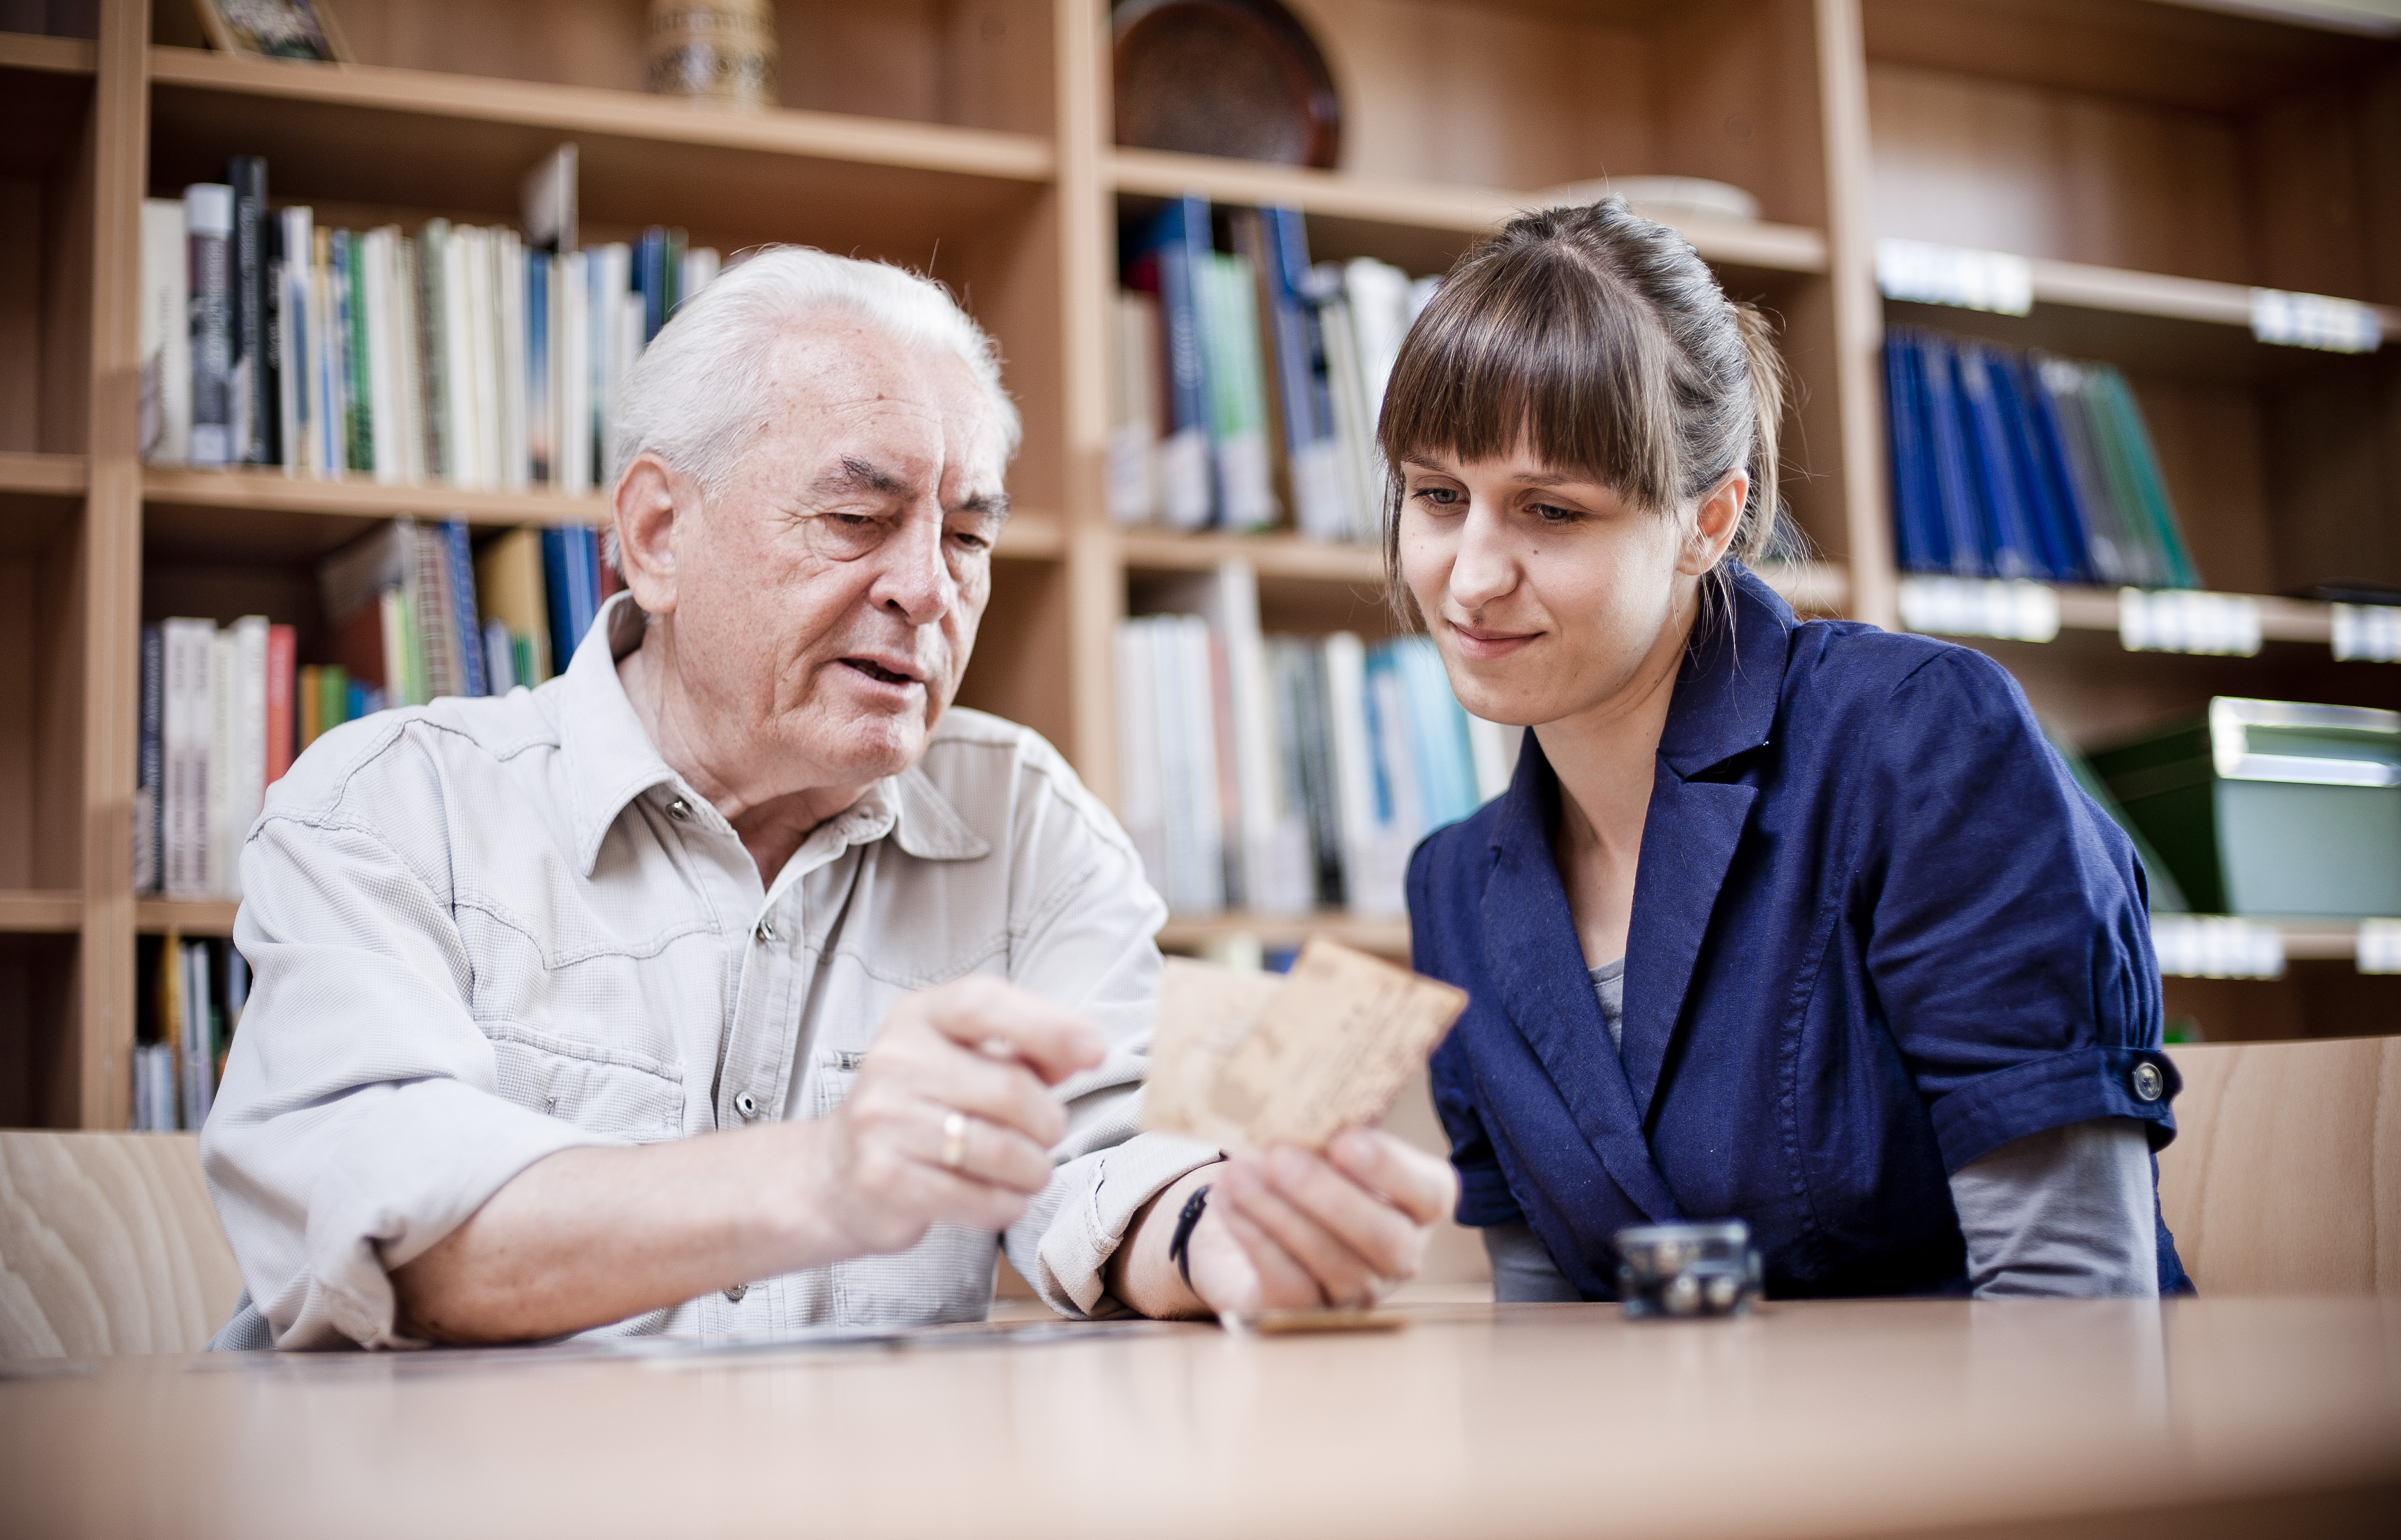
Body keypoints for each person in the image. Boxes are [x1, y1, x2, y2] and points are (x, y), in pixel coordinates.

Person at [203, 247, 1455, 1350]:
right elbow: (388, 1239)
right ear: (656, 533)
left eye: (967, 537)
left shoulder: (1027, 826)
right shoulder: (389, 809)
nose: (926, 588)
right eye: (857, 517)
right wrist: (828, 1179)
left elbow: (1099, 1164)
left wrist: (1215, 1232)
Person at [1392, 201, 2191, 1302]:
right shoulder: (1454, 890)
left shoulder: (1919, 742)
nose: (1471, 576)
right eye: (1438, 496)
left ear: (1710, 523)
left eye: (1551, 511)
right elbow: (1546, 1335)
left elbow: (2068, 1300)